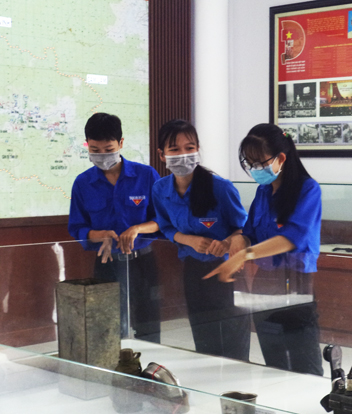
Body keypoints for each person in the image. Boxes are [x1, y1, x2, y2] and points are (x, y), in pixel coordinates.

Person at [205, 123, 324, 376]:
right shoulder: (263, 192)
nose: (254, 170)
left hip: (296, 286)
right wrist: (236, 243)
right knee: (274, 364)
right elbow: (250, 232)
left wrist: (245, 254)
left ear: (281, 158)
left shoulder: (308, 189)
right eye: (249, 163)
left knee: (306, 365)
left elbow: (292, 237)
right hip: (263, 286)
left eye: (259, 163)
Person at [152, 119, 250, 360]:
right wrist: (188, 239)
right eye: (174, 149)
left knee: (233, 341)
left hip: (227, 271)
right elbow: (164, 226)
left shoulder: (220, 188)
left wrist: (227, 242)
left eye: (190, 147)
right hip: (193, 271)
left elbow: (245, 229)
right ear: (162, 155)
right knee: (203, 339)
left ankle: (237, 391)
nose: (183, 155)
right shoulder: (160, 190)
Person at [68, 113, 161, 343]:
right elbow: (77, 226)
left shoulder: (146, 175)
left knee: (148, 327)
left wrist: (138, 228)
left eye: (108, 149)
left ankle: (149, 376)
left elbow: (163, 220)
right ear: (87, 145)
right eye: (95, 150)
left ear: (120, 143)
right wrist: (95, 235)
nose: (102, 156)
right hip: (106, 264)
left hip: (143, 263)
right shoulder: (82, 183)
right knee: (108, 327)